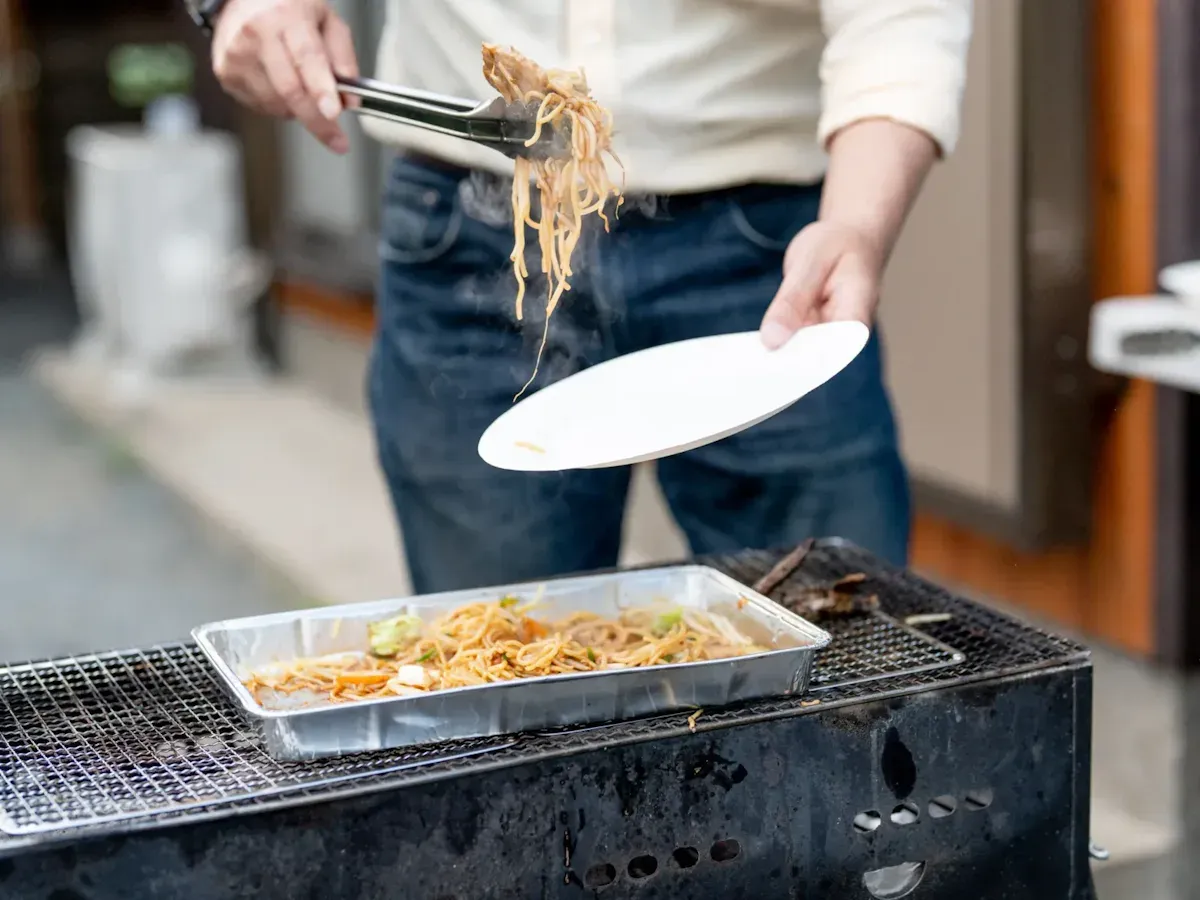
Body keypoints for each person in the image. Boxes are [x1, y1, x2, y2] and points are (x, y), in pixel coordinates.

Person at [200, 0, 973, 593]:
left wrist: (857, 225)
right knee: (502, 677)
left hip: (767, 254)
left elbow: (901, 17)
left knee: (842, 657)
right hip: (473, 229)